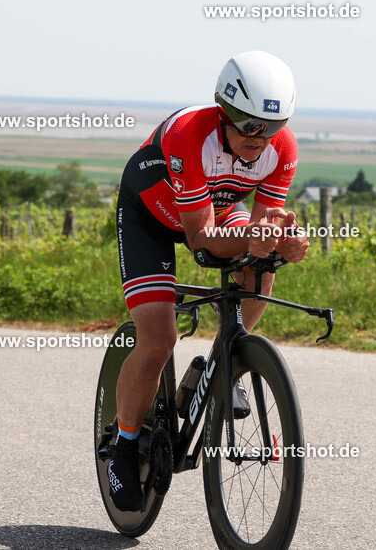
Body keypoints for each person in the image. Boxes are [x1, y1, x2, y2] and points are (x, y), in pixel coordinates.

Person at [108, 50, 310, 511]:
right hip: (151, 217)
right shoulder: (190, 134)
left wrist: (284, 243)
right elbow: (202, 241)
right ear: (224, 110)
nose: (259, 137)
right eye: (248, 124)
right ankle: (123, 446)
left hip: (214, 210)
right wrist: (257, 237)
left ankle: (223, 362)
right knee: (158, 341)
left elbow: (261, 229)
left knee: (260, 269)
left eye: (272, 125)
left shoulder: (282, 148)